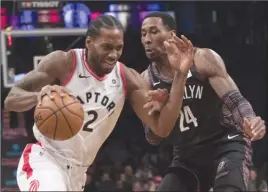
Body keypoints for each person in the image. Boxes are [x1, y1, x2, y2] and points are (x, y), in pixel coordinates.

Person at [4, 15, 193, 191]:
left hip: (79, 173)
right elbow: (11, 99)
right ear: (89, 43)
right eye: (107, 47)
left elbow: (161, 129)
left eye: (118, 48)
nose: (113, 54)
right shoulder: (64, 63)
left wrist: (180, 75)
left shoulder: (127, 78)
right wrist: (37, 97)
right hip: (45, 159)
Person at [141, 12, 266, 192]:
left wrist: (250, 120)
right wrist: (156, 114)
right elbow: (152, 138)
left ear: (171, 35)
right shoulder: (146, 80)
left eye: (153, 31)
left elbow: (235, 99)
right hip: (187, 156)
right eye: (143, 34)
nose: (147, 39)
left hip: (226, 144)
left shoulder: (201, 59)